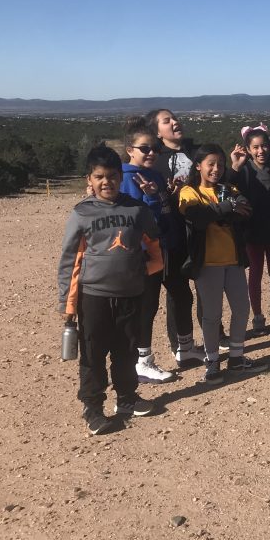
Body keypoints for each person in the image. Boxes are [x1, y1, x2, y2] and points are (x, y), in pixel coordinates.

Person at [58, 145, 162, 434]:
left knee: (126, 351)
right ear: (90, 179)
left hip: (131, 294)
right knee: (93, 353)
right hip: (94, 297)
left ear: (120, 176)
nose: (107, 182)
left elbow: (155, 246)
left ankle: (126, 398)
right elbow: (70, 260)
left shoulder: (137, 209)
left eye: (112, 176)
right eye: (100, 177)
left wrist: (148, 269)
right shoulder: (82, 213)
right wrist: (67, 303)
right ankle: (93, 407)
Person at [178, 145, 265, 384]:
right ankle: (213, 360)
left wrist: (216, 211)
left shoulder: (229, 188)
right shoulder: (189, 191)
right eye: (211, 164)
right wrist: (227, 207)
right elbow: (197, 217)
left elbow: (246, 209)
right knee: (212, 315)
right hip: (207, 263)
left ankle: (236, 357)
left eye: (220, 164)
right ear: (198, 166)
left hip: (233, 260)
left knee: (242, 309)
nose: (216, 169)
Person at [119, 118, 177, 384]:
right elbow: (136, 219)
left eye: (155, 148)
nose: (151, 152)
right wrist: (151, 198)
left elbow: (161, 214)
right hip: (140, 253)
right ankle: (140, 361)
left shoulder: (153, 175)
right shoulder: (127, 178)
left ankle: (141, 359)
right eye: (144, 148)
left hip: (157, 250)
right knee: (142, 307)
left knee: (150, 305)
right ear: (129, 150)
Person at [144, 108, 201, 365]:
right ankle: (179, 344)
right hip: (171, 234)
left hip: (198, 229)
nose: (175, 122)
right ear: (157, 132)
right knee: (177, 290)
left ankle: (210, 335)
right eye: (167, 121)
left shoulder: (195, 151)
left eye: (175, 118)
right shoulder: (154, 161)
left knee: (199, 287)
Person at [229, 124, 270, 335]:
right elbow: (227, 186)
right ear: (248, 150)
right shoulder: (244, 171)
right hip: (252, 231)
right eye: (256, 147)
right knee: (256, 274)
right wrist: (235, 166)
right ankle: (258, 315)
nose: (261, 151)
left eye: (264, 146)